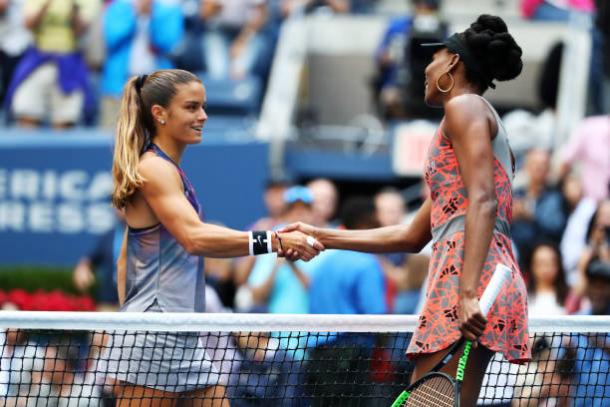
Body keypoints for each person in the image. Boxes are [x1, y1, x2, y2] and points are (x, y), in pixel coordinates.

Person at [281, 15, 530, 406]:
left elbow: (484, 199)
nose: (426, 70)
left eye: (435, 58)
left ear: (452, 63)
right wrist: (321, 236)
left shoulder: (464, 107)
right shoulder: (469, 124)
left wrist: (467, 294)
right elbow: (412, 235)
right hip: (479, 272)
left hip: (469, 277)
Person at [107, 69, 322, 406]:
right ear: (159, 114)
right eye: (192, 107)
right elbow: (194, 238)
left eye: (203, 106)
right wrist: (275, 240)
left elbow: (125, 259)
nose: (203, 116)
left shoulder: (169, 171)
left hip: (183, 331)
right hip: (156, 333)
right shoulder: (154, 169)